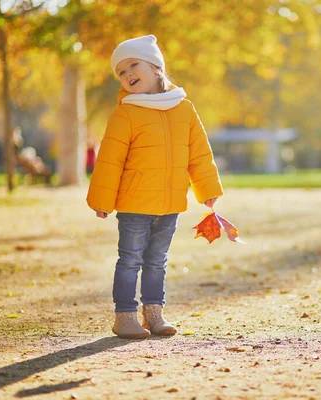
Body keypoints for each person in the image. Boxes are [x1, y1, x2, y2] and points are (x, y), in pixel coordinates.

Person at [86, 35, 223, 339]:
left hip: (171, 204)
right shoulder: (126, 112)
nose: (128, 74)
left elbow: (199, 154)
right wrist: (101, 199)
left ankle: (154, 315)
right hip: (134, 204)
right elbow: (110, 160)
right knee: (130, 260)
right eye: (121, 72)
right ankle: (124, 316)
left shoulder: (184, 109)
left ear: (157, 67)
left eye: (134, 64)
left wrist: (207, 189)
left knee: (157, 262)